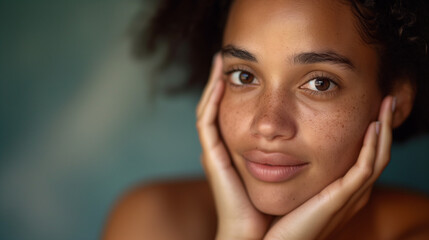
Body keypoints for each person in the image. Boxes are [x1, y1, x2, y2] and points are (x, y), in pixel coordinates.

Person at [103, 0, 429, 239]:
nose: (267, 124)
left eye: (320, 83)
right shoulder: (154, 220)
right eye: (244, 76)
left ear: (397, 101)